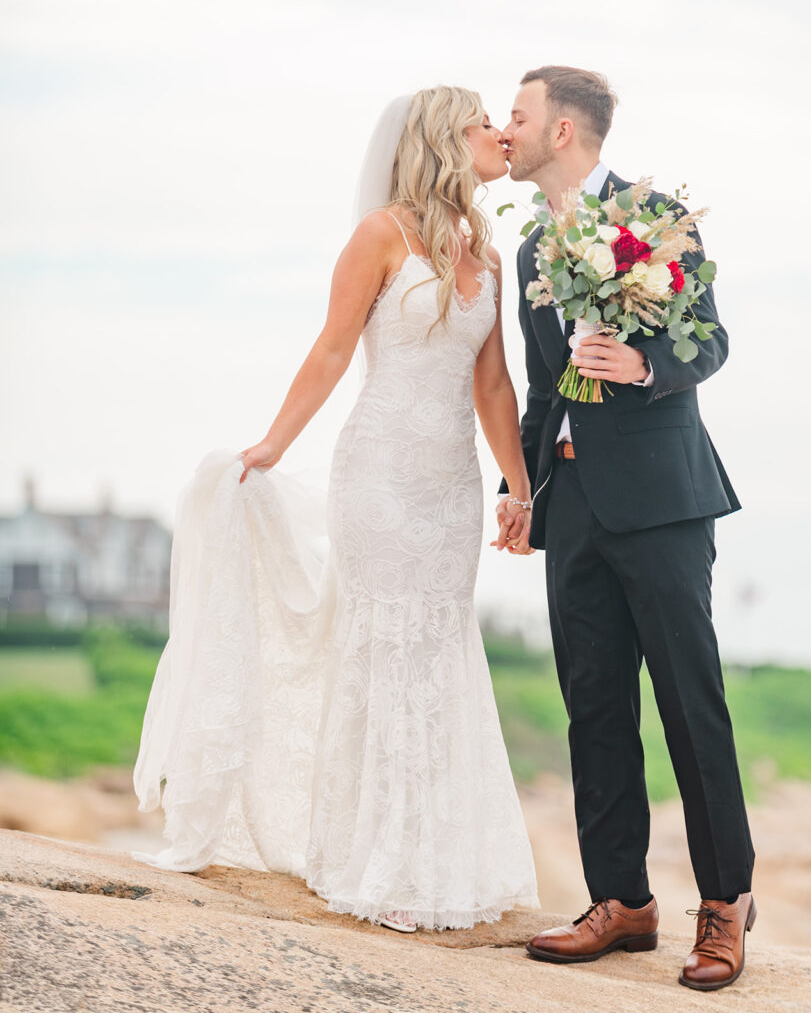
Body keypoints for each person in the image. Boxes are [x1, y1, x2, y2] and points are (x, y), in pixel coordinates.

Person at [132, 86, 539, 934]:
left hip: (451, 489)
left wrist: (518, 486)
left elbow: (494, 383)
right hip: (380, 478)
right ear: (444, 138)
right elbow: (330, 347)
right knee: (384, 650)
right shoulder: (381, 234)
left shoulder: (485, 254)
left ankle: (435, 861)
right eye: (483, 122)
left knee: (437, 652)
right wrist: (273, 445)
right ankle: (371, 857)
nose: (501, 132)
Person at [494, 66, 756, 990]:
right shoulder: (529, 252)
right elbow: (539, 382)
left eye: (518, 116)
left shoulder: (654, 215)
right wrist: (517, 486)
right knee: (594, 708)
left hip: (663, 504)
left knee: (692, 703)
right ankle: (622, 902)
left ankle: (725, 903)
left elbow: (710, 343)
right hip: (572, 509)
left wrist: (642, 364)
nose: (505, 128)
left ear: (563, 131)